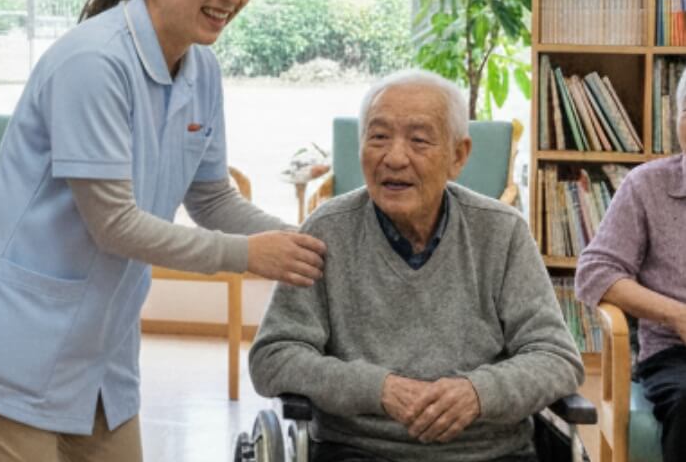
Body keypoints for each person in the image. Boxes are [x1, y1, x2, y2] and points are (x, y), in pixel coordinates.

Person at [0, 0, 326, 462]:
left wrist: (308, 246)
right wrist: (249, 255)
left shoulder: (200, 68)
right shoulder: (95, 62)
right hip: (12, 342)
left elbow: (213, 199)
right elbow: (114, 225)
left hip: (100, 351)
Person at [249, 70, 584, 462]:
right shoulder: (328, 231)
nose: (394, 157)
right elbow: (273, 356)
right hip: (361, 451)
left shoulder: (501, 232)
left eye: (419, 140)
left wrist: (478, 393)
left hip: (490, 453)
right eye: (378, 137)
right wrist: (378, 389)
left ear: (458, 156)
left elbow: (557, 358)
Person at [575, 70, 686, 462]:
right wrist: (676, 315)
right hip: (675, 355)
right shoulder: (646, 186)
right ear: (682, 126)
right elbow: (595, 272)